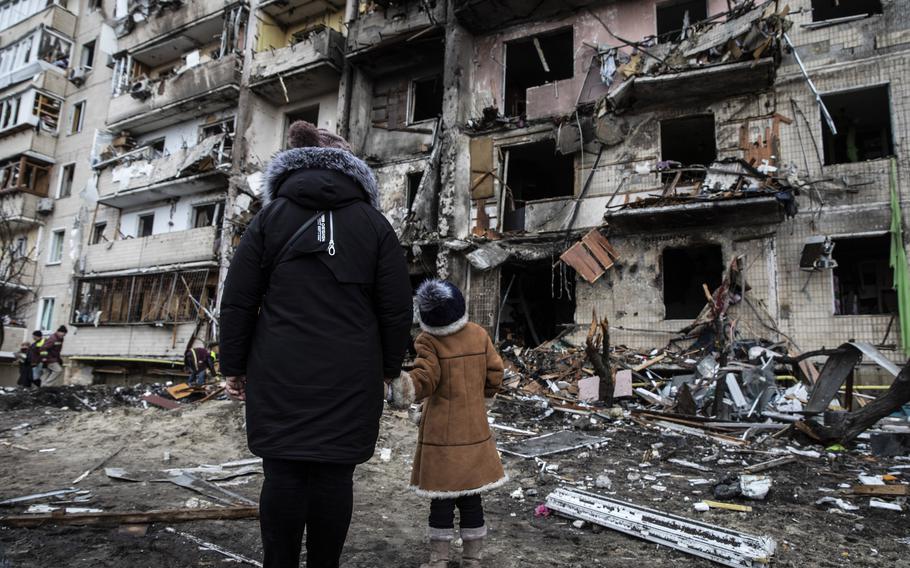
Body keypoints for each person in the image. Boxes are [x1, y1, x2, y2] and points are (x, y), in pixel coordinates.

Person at [219, 121, 412, 568]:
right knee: (334, 474)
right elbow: (396, 306)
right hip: (351, 374)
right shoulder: (374, 224)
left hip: (278, 369)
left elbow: (239, 298)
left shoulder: (268, 219)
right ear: (351, 169)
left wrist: (233, 365)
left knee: (282, 472)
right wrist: (388, 367)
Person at [389, 279, 507, 568]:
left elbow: (424, 380)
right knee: (471, 498)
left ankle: (439, 561)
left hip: (441, 436)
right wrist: (485, 398)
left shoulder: (428, 341)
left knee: (441, 500)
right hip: (475, 430)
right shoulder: (478, 334)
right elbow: (495, 373)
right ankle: (473, 559)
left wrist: (398, 389)